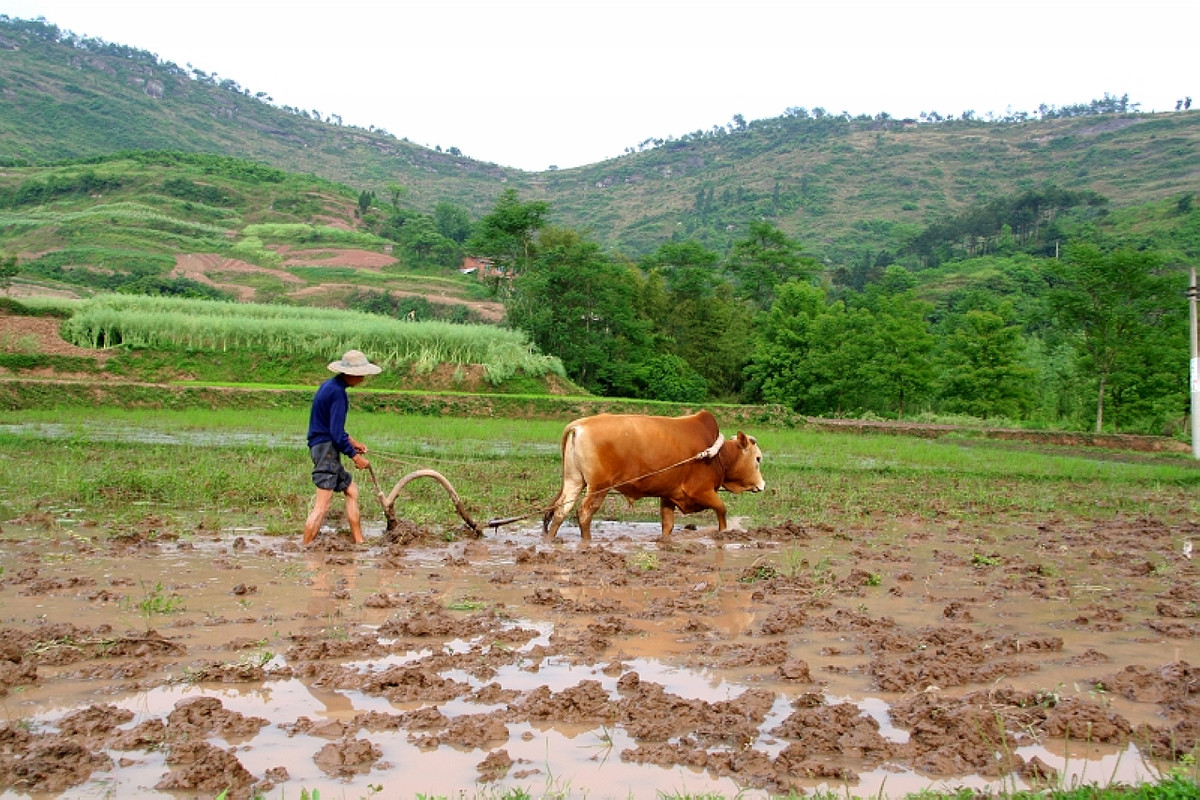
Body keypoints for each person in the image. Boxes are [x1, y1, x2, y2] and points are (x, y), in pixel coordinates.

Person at [303, 349, 382, 546]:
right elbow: (336, 434)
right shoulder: (338, 394)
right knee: (322, 506)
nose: (363, 378)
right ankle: (304, 549)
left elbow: (332, 428)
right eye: (361, 374)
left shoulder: (329, 386)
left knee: (352, 491)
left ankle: (359, 541)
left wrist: (353, 442)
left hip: (322, 446)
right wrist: (355, 456)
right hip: (326, 450)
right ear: (351, 374)